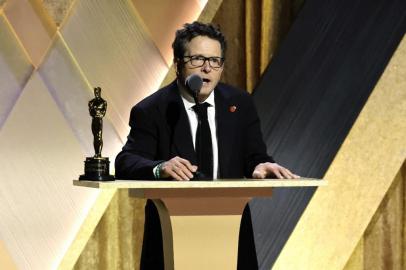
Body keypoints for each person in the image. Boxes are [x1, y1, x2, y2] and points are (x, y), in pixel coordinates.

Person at [115, 21, 299, 269]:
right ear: (178, 63)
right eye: (197, 59)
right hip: (172, 240)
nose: (207, 68)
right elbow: (125, 161)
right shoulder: (152, 110)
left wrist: (260, 165)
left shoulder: (239, 104)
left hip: (230, 238)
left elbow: (253, 155)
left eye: (215, 61)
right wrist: (160, 168)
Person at [89, 87, 107, 158]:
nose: (96, 93)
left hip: (99, 120)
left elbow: (103, 113)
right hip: (94, 120)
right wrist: (96, 112)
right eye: (95, 92)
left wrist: (96, 112)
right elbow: (91, 113)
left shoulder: (103, 102)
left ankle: (98, 153)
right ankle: (96, 153)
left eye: (97, 92)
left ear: (100, 92)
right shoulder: (91, 102)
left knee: (98, 137)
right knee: (95, 137)